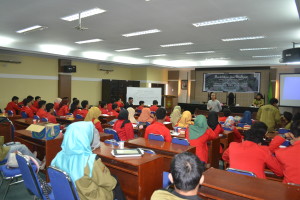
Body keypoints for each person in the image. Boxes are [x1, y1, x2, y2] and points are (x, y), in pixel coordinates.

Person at [51, 122, 123, 200]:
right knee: (115, 182)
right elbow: (110, 184)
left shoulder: (59, 155)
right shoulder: (90, 161)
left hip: (69, 195)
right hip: (90, 197)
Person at [269, 120, 300, 184]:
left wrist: (284, 136)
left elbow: (271, 149)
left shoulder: (283, 153)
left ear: (291, 135)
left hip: (289, 190)